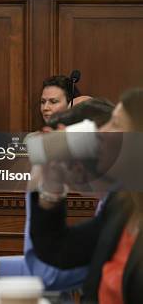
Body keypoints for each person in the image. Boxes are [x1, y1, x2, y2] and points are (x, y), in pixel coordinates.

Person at [0, 98, 115, 292]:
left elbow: (49, 275)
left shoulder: (123, 207)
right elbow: (62, 269)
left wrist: (41, 183)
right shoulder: (111, 201)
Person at [30, 88, 143, 302]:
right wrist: (51, 185)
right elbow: (59, 250)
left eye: (116, 124)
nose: (100, 132)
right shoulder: (123, 204)